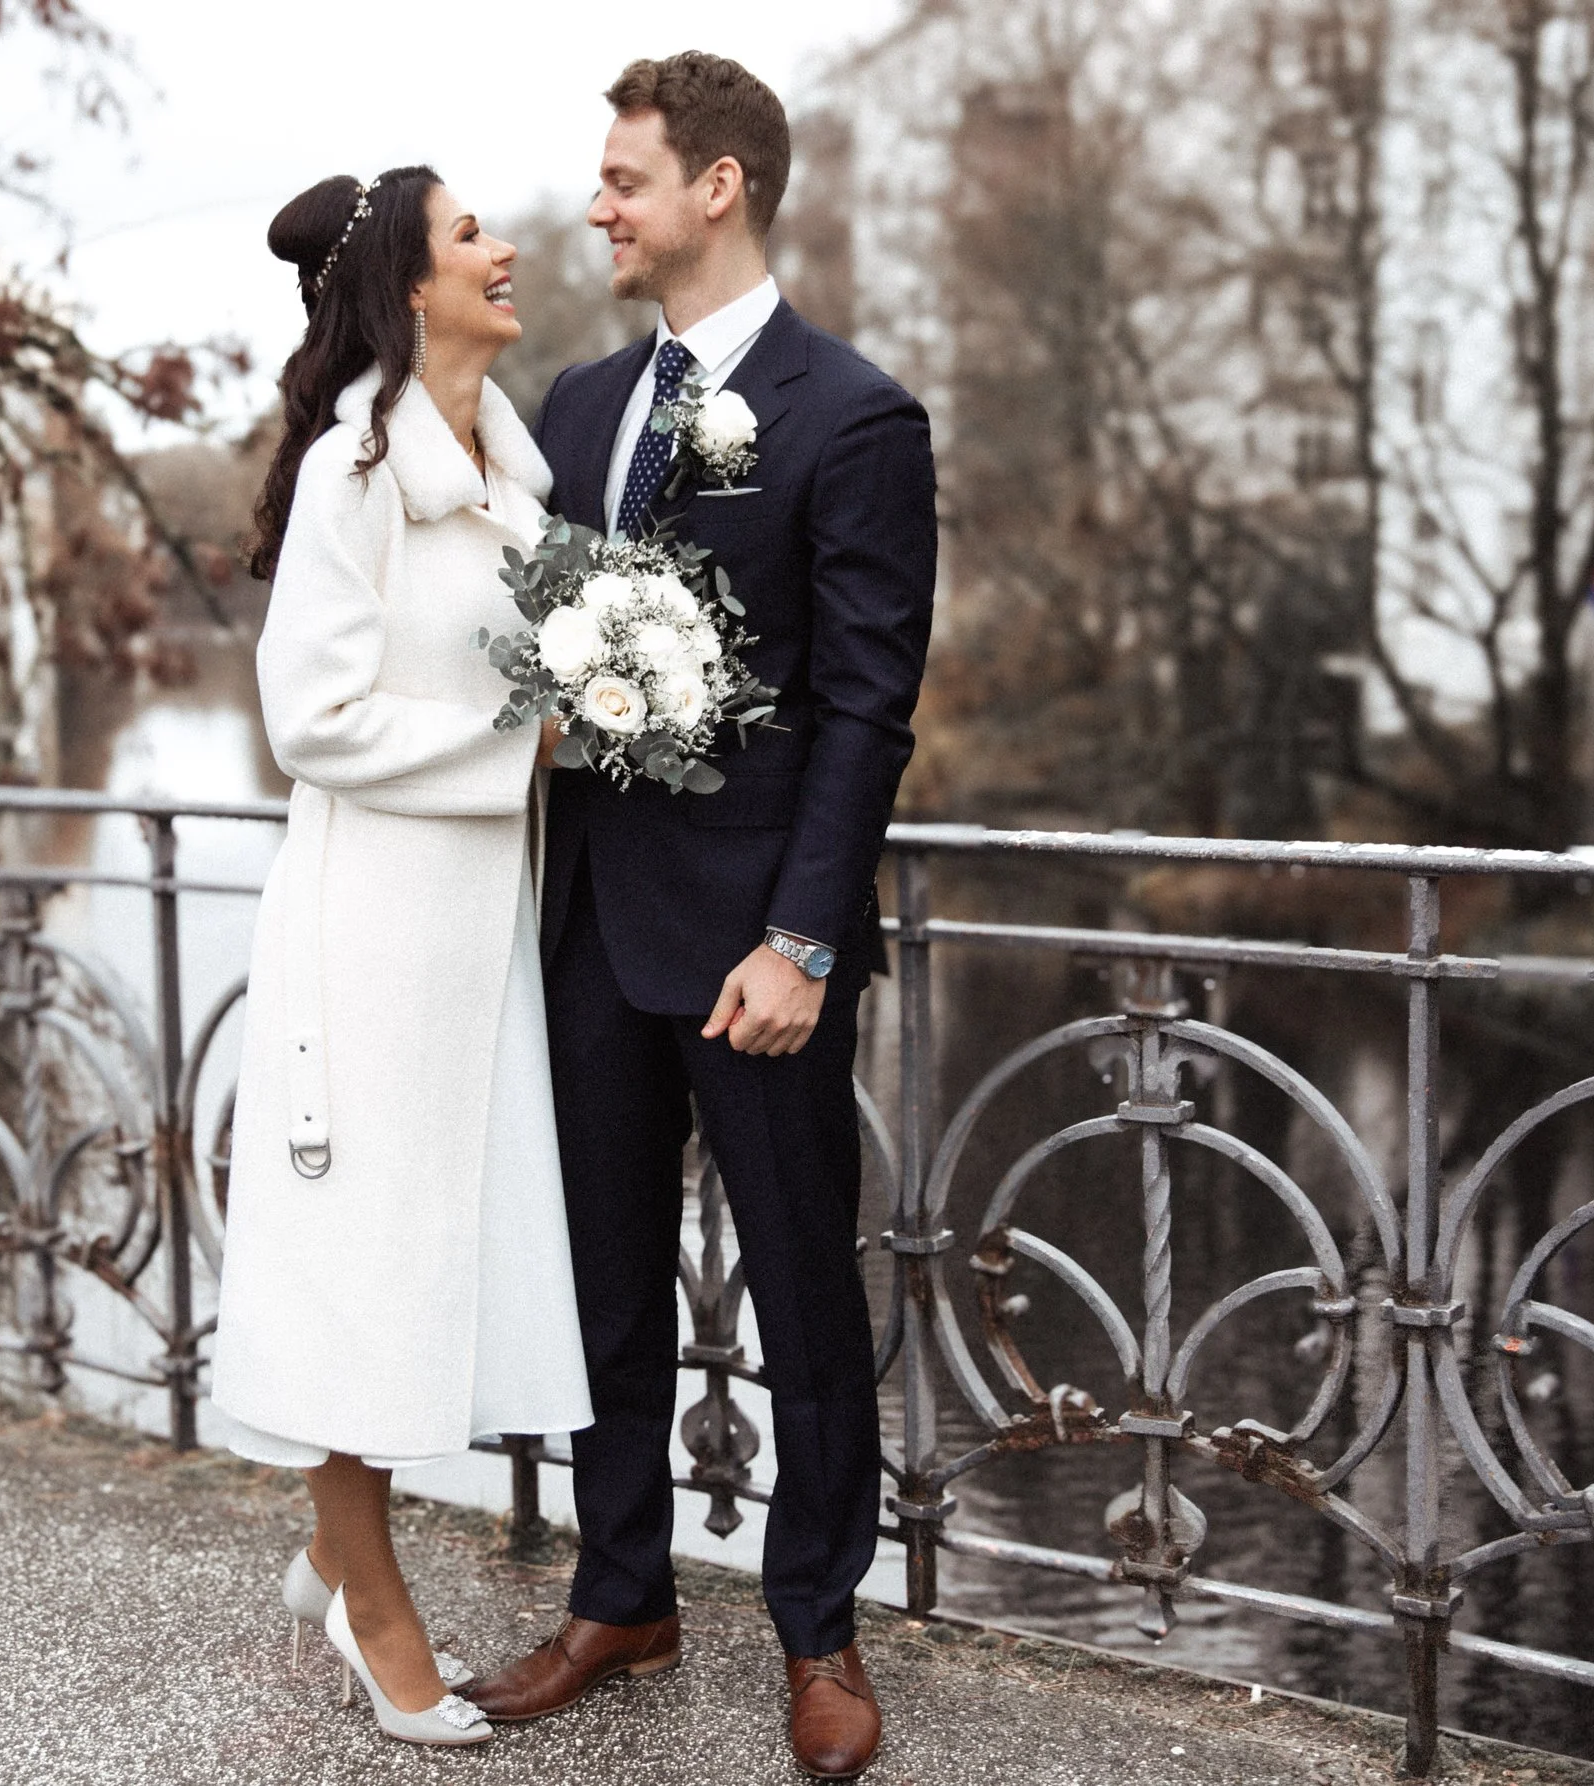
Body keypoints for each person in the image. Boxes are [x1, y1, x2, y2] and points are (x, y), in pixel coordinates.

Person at [463, 53, 937, 1782]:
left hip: (756, 949)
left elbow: (869, 706)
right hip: (590, 918)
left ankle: (819, 1630)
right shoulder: (578, 408)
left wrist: (804, 938)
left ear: (718, 186)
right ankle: (623, 1593)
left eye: (625, 179)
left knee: (806, 1297)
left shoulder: (855, 416)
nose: (599, 208)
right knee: (602, 1285)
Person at [207, 164, 593, 1750]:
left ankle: (330, 1541)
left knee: (438, 1256)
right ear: (409, 289)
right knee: (360, 1270)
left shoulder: (516, 476)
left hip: (475, 936)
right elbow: (308, 719)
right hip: (369, 931)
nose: (506, 253)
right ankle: (375, 1609)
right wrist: (524, 742)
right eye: (470, 237)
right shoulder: (353, 473)